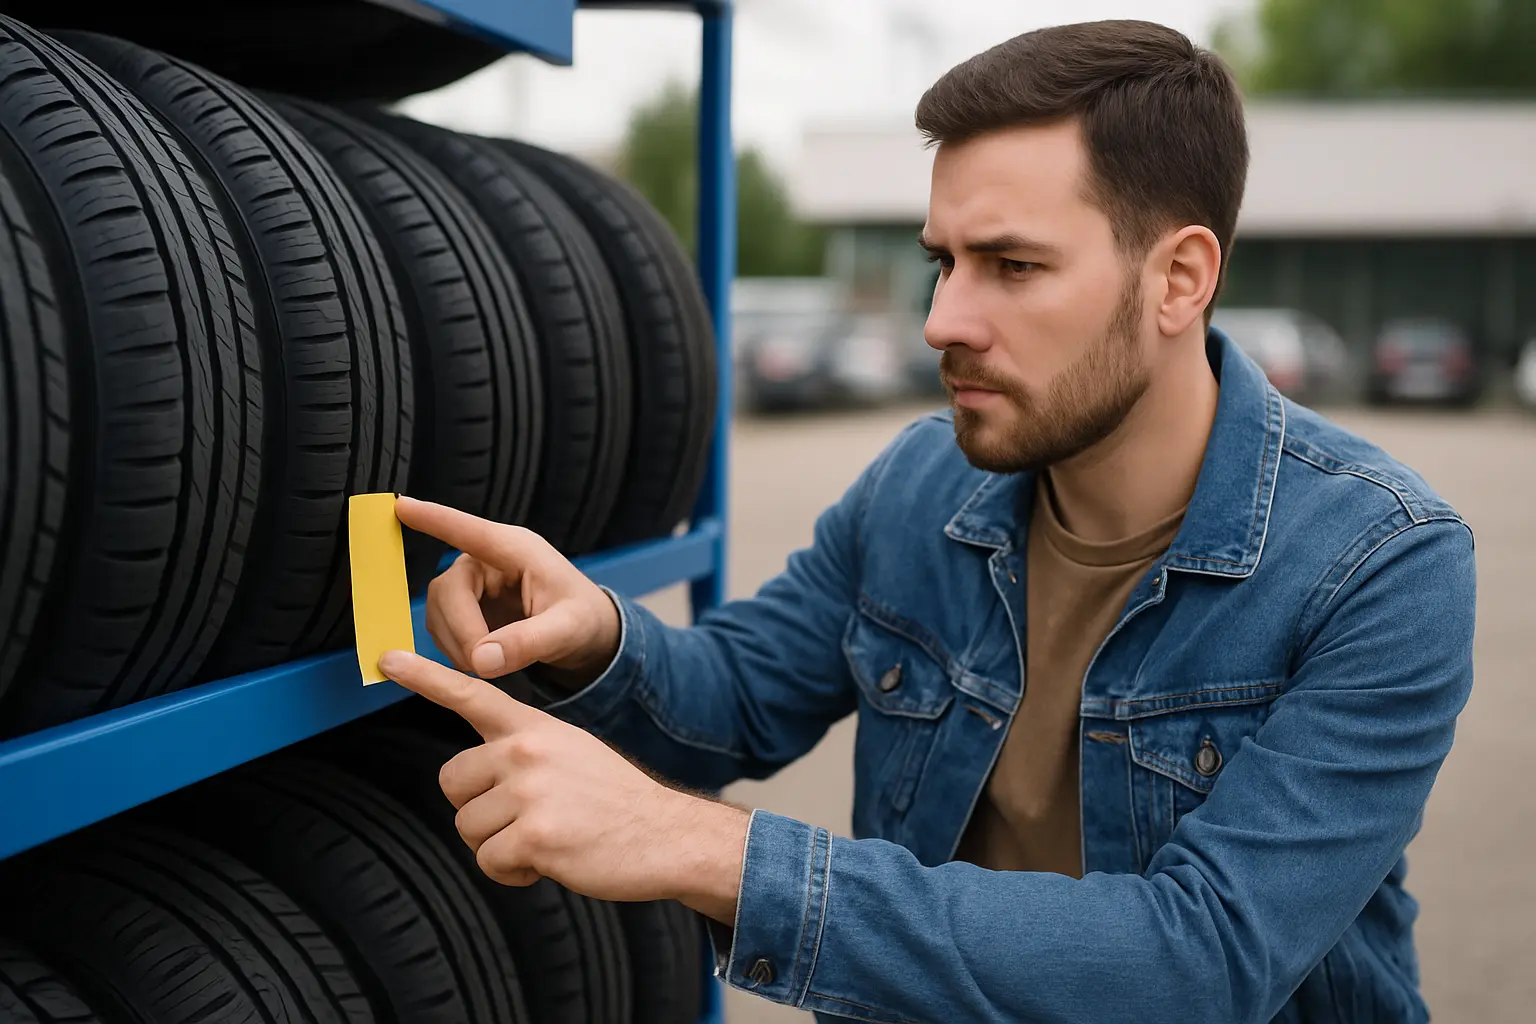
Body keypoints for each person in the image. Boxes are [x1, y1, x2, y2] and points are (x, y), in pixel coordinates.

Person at [378, 19, 1476, 1024]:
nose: (943, 319)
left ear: (1179, 278)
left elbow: (1201, 960)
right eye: (942, 261)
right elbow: (736, 699)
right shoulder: (920, 482)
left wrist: (699, 846)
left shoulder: (1381, 565)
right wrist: (593, 635)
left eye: (1012, 266)